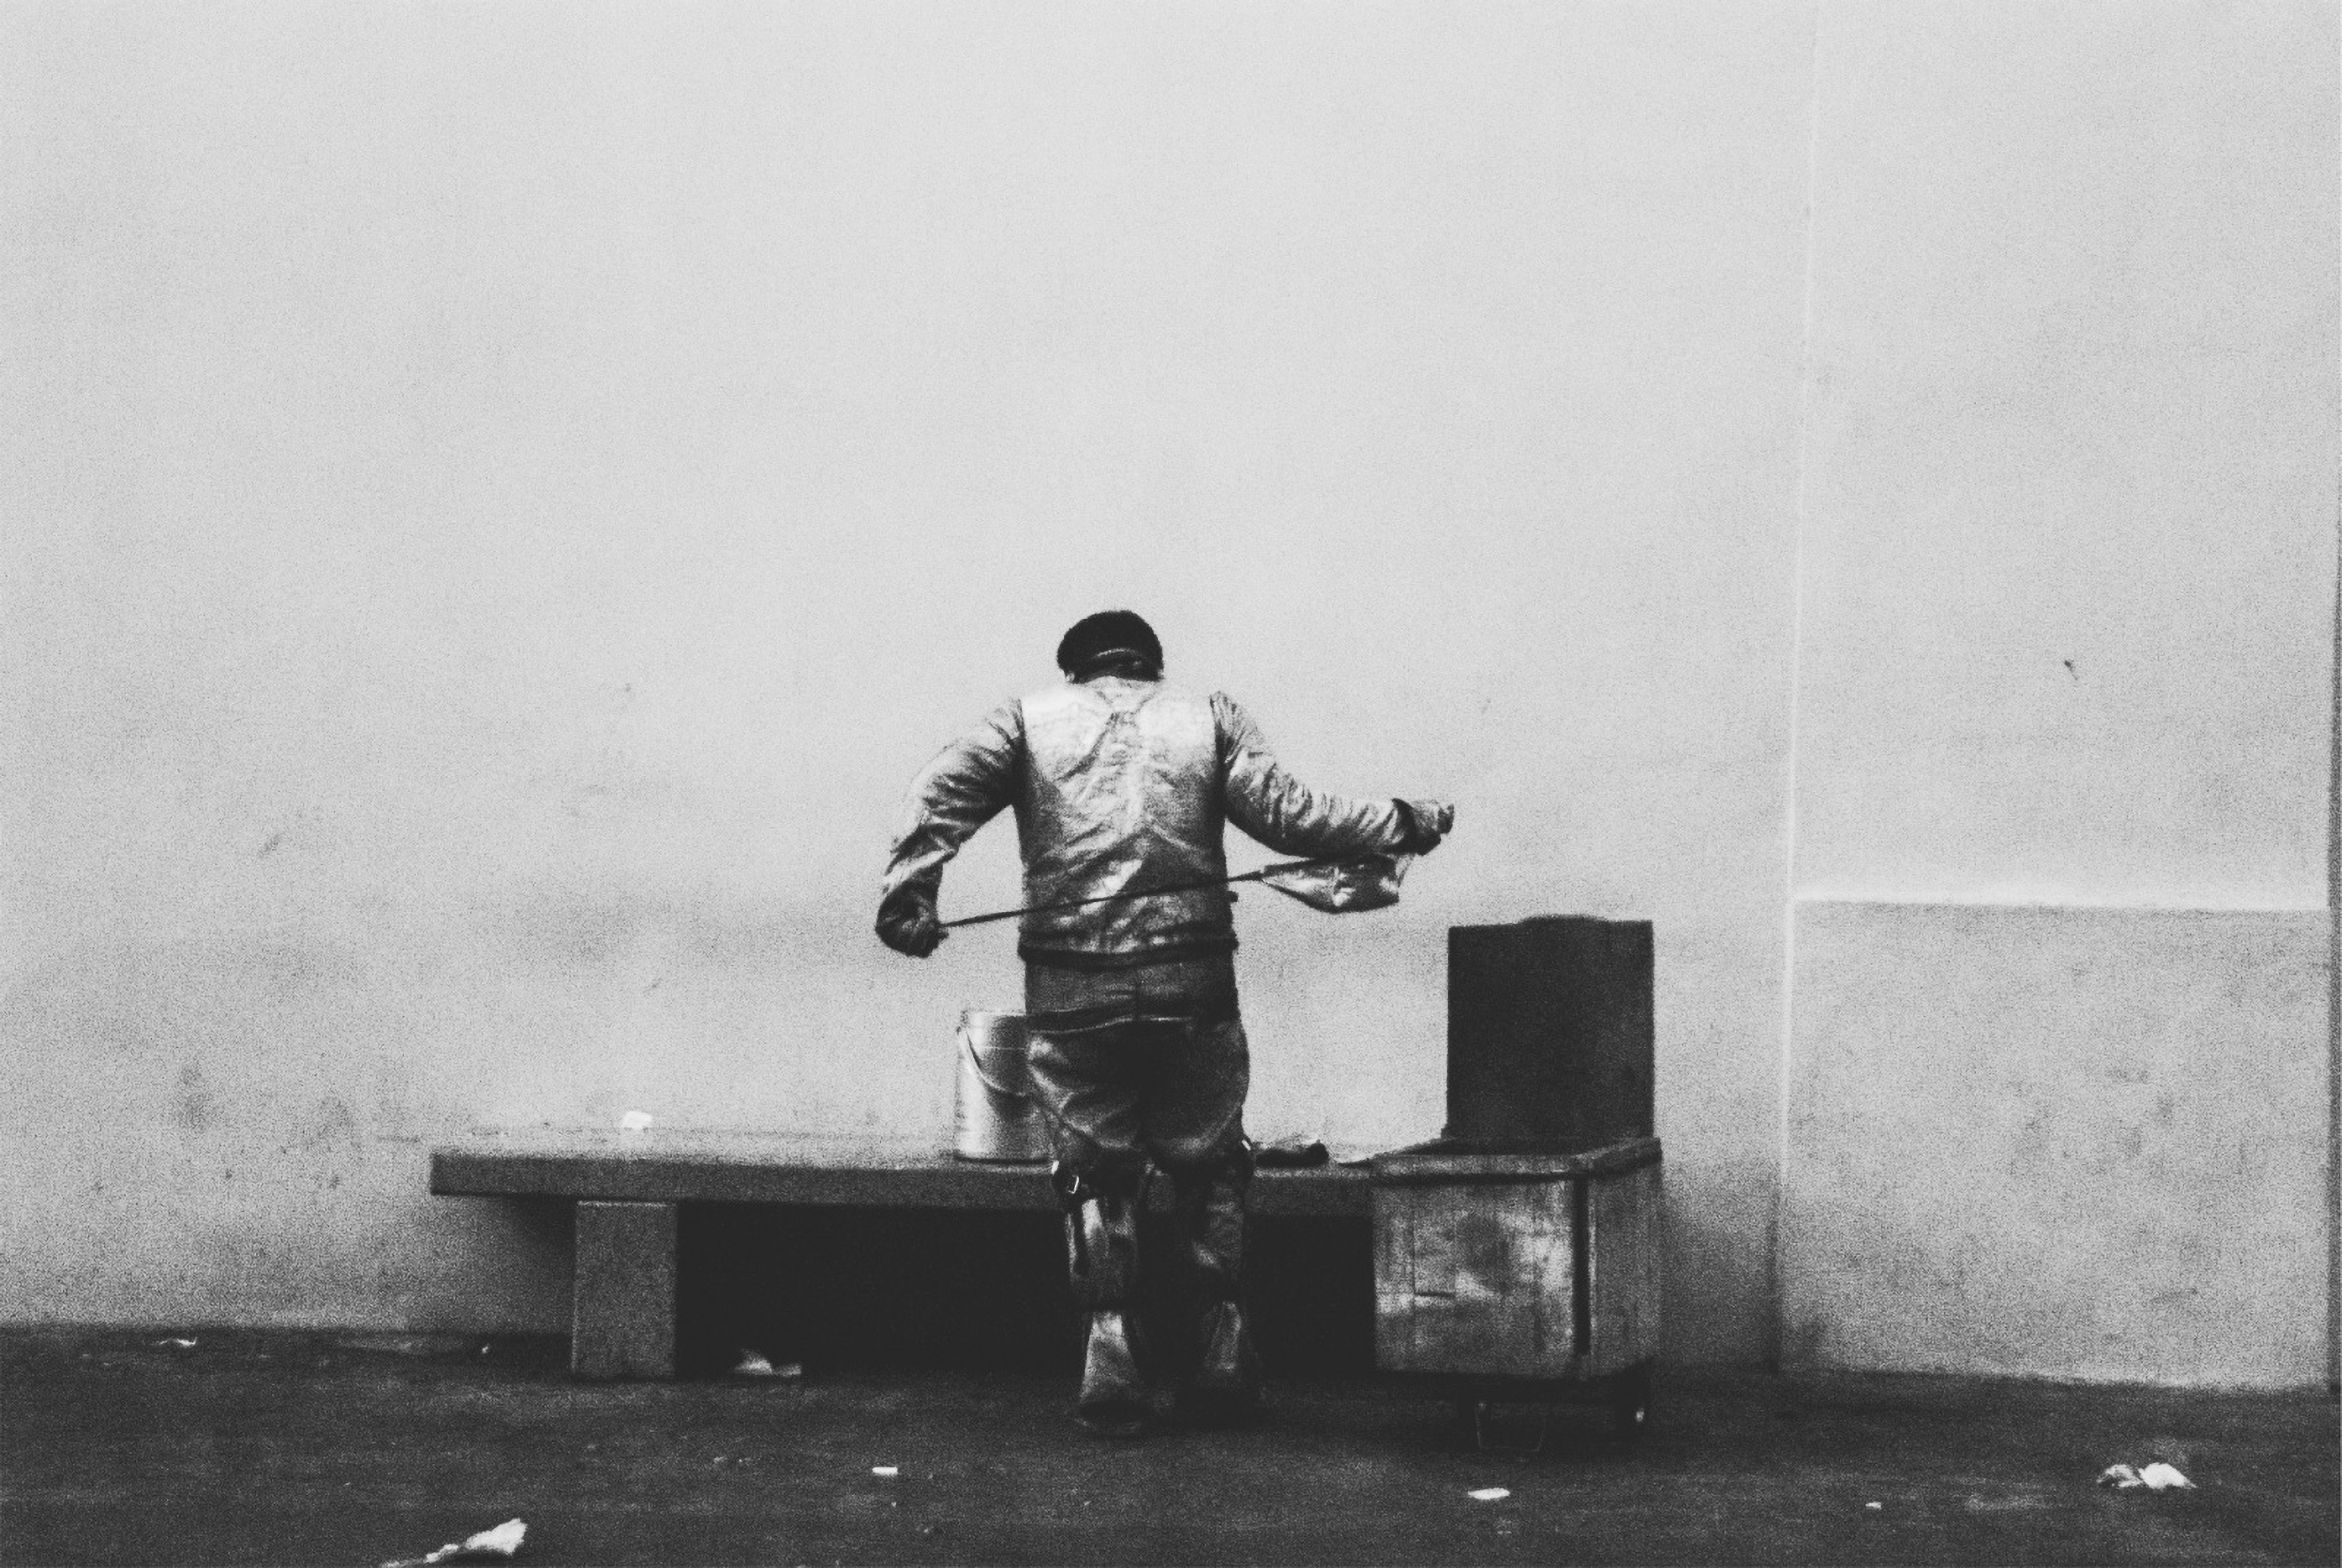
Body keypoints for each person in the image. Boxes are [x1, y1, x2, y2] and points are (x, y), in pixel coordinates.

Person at [876, 609, 1449, 1437]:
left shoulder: (1025, 720)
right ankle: (1221, 1356)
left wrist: (911, 899)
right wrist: (1406, 820)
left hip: (1073, 993)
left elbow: (939, 795)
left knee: (1092, 1173)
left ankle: (1111, 1358)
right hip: (1195, 985)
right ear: (1152, 665)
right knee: (1211, 1166)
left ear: (1073, 669)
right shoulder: (1208, 717)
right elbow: (1294, 818)